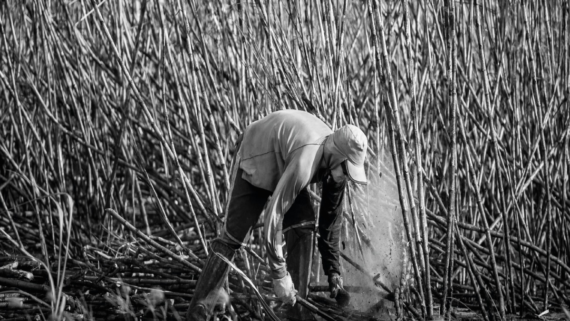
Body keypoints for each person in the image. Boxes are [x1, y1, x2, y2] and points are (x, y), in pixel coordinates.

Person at [187, 110, 368, 321]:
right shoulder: (306, 163)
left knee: (304, 224)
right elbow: (273, 217)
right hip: (257, 153)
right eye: (347, 171)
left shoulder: (336, 168)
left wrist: (334, 273)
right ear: (337, 155)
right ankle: (198, 313)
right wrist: (279, 275)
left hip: (286, 160)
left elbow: (330, 223)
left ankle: (296, 314)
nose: (347, 177)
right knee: (233, 237)